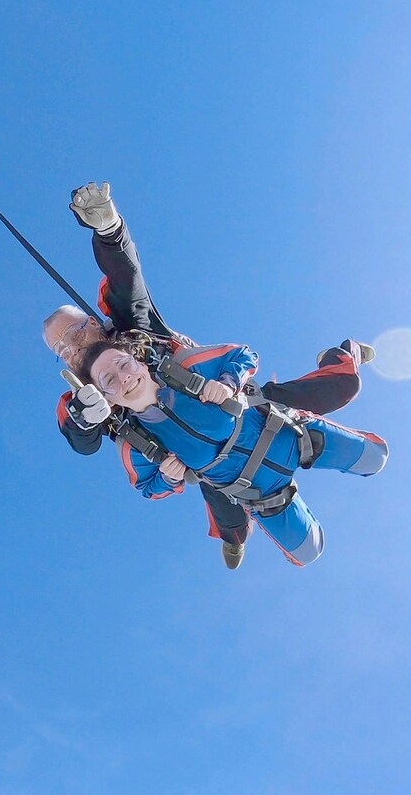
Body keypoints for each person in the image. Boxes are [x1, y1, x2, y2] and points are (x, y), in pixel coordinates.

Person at [43, 183, 373, 568]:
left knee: (341, 387)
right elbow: (79, 436)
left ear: (96, 323)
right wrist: (86, 419)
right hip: (203, 457)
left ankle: (341, 354)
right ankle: (233, 539)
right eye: (61, 351)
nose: (73, 349)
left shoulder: (134, 329)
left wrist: (110, 230)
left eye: (75, 333)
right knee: (228, 507)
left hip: (239, 407)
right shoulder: (89, 394)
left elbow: (126, 278)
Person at [76, 333, 388, 567]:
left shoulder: (185, 368)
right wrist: (169, 478)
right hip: (259, 492)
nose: (125, 377)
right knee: (308, 551)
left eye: (124, 364)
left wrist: (228, 382)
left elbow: (244, 354)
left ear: (139, 361)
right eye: (110, 379)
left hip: (288, 436)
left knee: (375, 458)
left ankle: (342, 355)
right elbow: (148, 487)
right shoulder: (136, 442)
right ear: (108, 398)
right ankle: (234, 535)